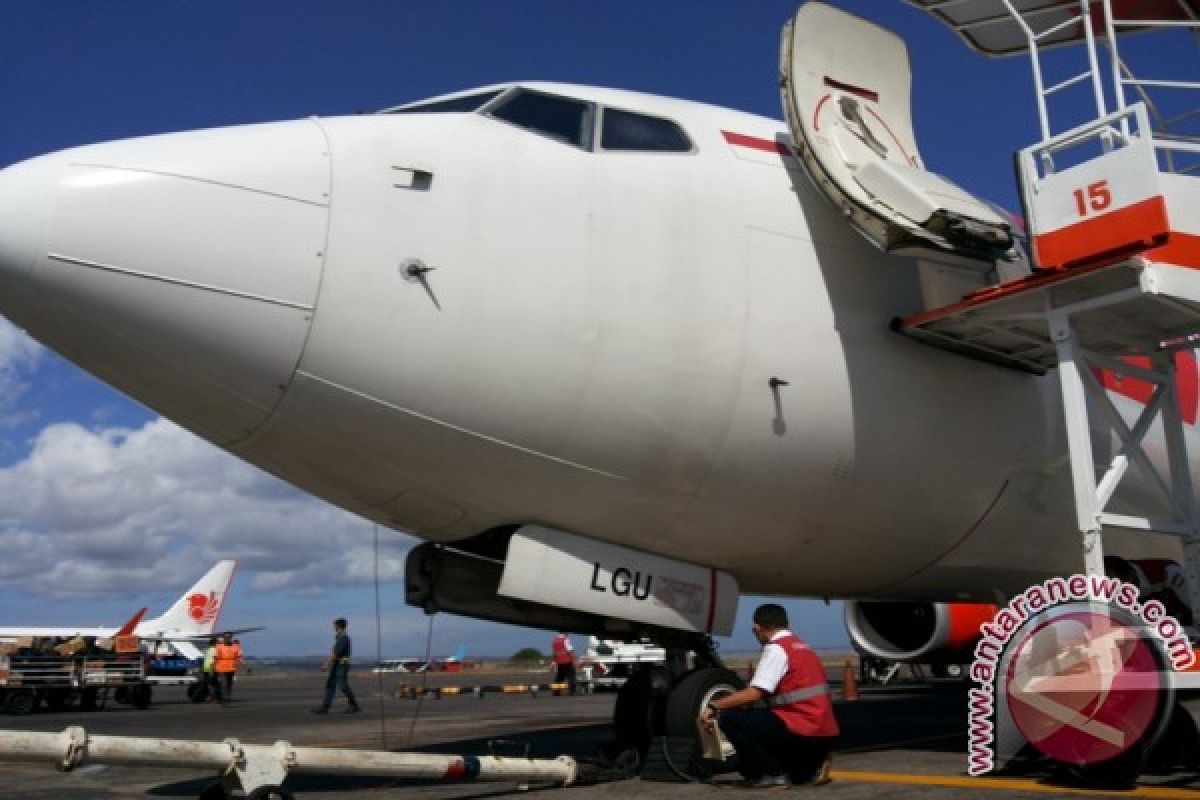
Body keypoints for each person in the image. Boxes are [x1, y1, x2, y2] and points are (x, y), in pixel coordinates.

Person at [700, 603, 838, 789]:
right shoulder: (803, 647)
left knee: (731, 720)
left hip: (802, 728)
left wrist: (716, 706)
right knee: (797, 777)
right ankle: (812, 766)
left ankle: (770, 775)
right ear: (787, 625)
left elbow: (756, 692)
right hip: (822, 733)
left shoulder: (777, 649)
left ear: (757, 628)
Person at [313, 618, 360, 714]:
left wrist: (326, 664)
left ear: (339, 626)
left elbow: (336, 654)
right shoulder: (338, 637)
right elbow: (335, 654)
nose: (333, 627)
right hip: (337, 665)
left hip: (342, 666)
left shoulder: (344, 639)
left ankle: (354, 705)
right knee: (330, 685)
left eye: (335, 625)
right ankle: (325, 708)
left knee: (343, 686)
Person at [214, 633, 240, 702]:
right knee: (223, 683)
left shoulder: (235, 646)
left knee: (229, 683)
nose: (227, 638)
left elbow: (238, 656)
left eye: (229, 637)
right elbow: (216, 657)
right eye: (226, 637)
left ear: (231, 638)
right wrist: (214, 666)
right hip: (221, 667)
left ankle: (228, 696)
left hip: (231, 668)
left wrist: (244, 665)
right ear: (223, 638)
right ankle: (224, 697)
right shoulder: (219, 646)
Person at [202, 636, 222, 703]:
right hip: (209, 668)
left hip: (209, 669)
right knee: (213, 684)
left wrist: (212, 670)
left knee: (211, 684)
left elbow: (213, 661)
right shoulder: (213, 650)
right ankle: (214, 697)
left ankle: (213, 697)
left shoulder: (210, 650)